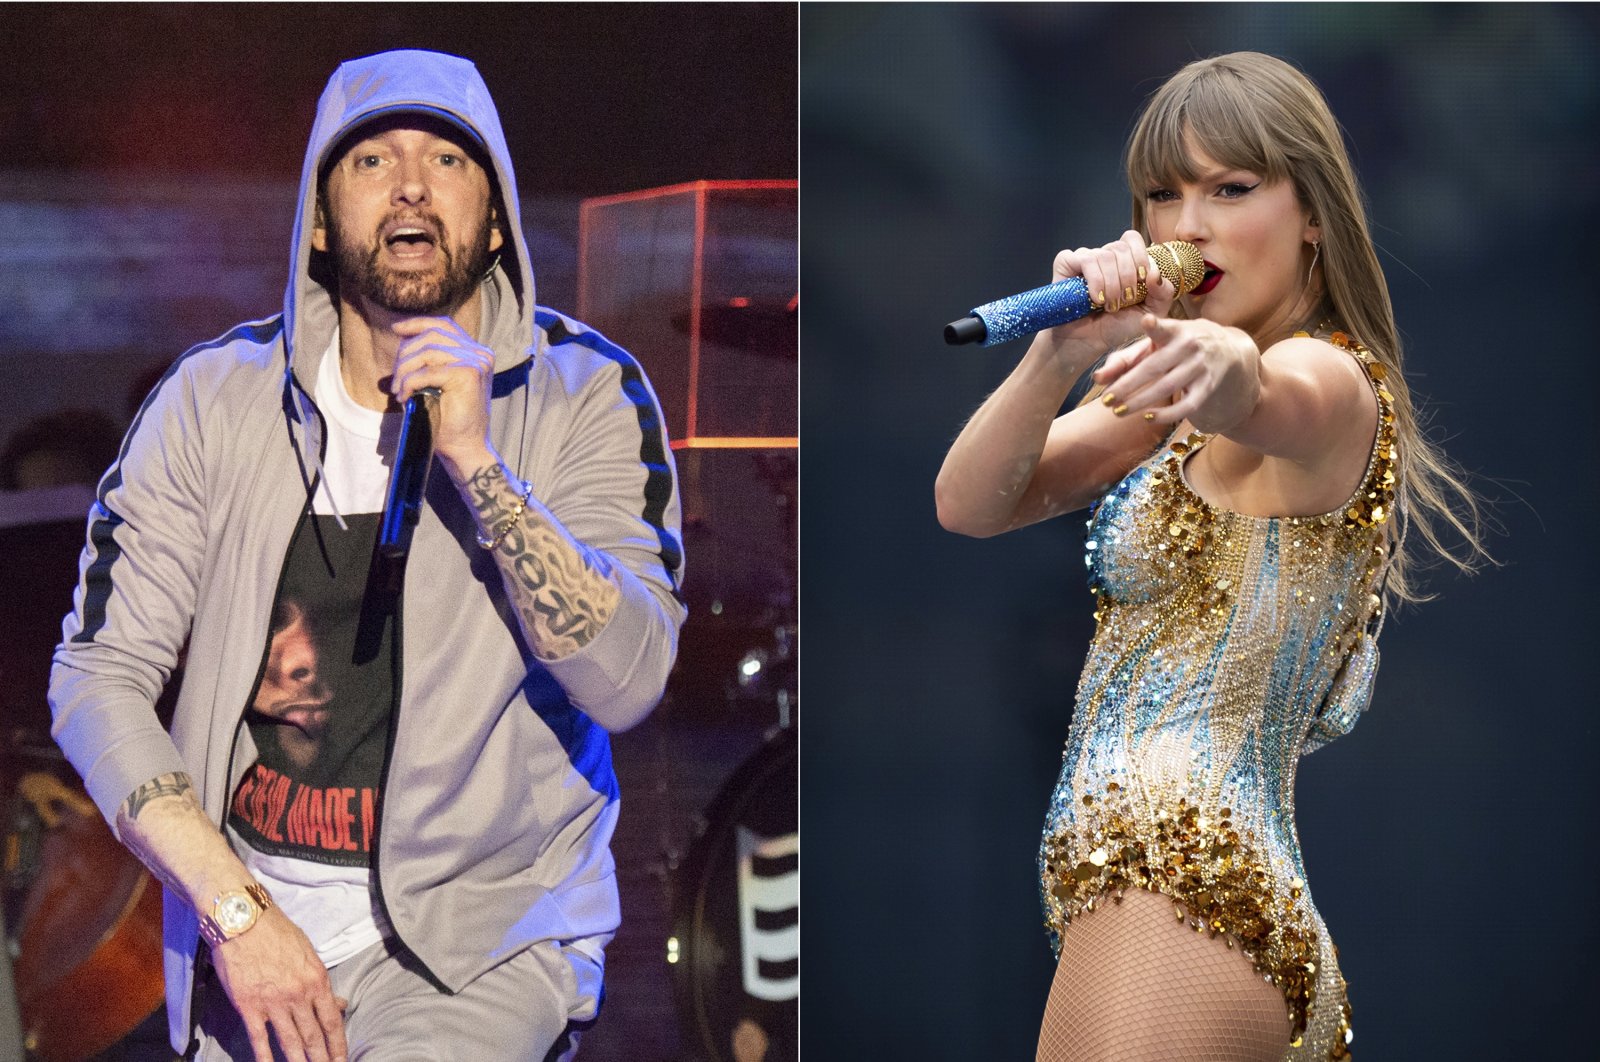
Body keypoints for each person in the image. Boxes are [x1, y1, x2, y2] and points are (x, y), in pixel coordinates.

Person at [49, 49, 685, 1062]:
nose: (411, 187)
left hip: (480, 951)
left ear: (494, 214)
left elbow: (629, 681)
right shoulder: (215, 401)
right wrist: (237, 914)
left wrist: (478, 461)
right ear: (317, 215)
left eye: (447, 160)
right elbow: (96, 676)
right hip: (254, 940)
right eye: (372, 160)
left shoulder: (584, 394)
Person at [935, 52, 1484, 1061]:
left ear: (1311, 211)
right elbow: (969, 503)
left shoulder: (1325, 378)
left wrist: (1226, 364)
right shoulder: (1161, 397)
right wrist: (1056, 355)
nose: (1188, 224)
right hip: (1140, 889)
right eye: (1163, 194)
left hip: (1186, 884)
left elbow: (1266, 393)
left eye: (1230, 189)